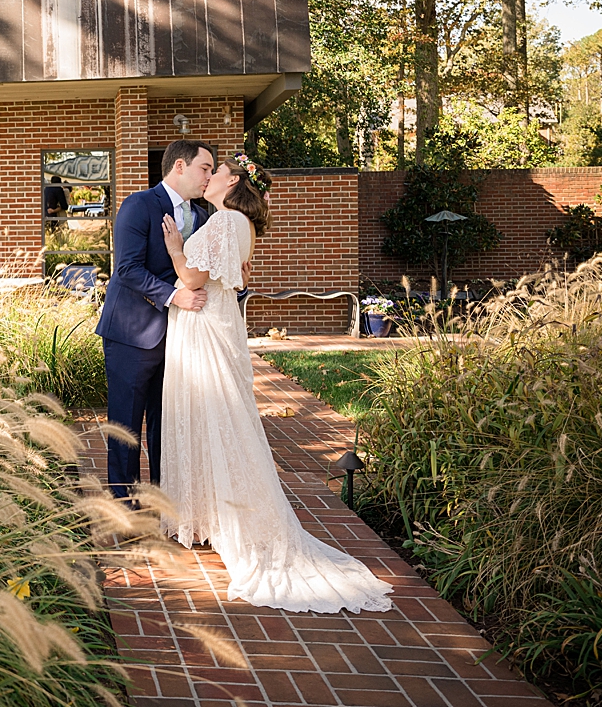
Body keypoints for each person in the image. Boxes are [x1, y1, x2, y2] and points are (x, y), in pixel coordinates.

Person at [159, 154, 393, 613]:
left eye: (216, 172)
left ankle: (235, 522)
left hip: (205, 328)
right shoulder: (240, 224)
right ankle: (216, 516)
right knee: (220, 418)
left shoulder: (226, 221)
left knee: (214, 416)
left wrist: (174, 248)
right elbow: (234, 278)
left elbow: (192, 276)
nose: (209, 177)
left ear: (233, 182)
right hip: (219, 322)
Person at [94, 139, 214, 498]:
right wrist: (176, 296)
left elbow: (203, 270)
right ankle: (123, 502)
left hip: (179, 339)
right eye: (204, 168)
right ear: (180, 166)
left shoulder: (203, 217)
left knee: (168, 425)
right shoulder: (139, 205)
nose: (208, 176)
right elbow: (127, 269)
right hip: (132, 334)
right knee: (126, 424)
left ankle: (167, 500)